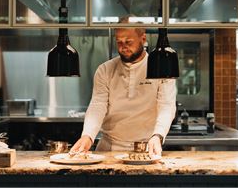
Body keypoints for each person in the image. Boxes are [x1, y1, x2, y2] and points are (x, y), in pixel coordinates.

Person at [70, 21, 176, 156]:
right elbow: (98, 105)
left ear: (143, 39)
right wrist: (87, 135)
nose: (123, 47)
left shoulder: (162, 69)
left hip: (146, 147)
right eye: (119, 42)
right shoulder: (105, 70)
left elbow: (166, 106)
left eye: (128, 42)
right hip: (109, 148)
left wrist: (158, 135)